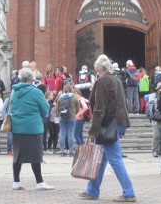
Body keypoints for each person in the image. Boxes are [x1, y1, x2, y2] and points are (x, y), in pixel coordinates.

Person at [81, 54, 135, 202]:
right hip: (118, 122)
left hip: (108, 125)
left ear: (98, 68)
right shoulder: (116, 80)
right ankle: (92, 190)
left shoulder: (102, 81)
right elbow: (121, 103)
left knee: (115, 159)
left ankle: (129, 192)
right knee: (102, 158)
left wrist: (94, 130)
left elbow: (99, 108)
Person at [8, 67, 55, 190]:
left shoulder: (14, 91)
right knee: (36, 155)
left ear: (19, 78)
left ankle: (16, 182)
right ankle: (39, 182)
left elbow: (11, 107)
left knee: (17, 154)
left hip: (17, 126)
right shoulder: (36, 92)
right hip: (33, 127)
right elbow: (45, 109)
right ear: (31, 79)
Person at [55, 83, 80, 156]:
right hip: (71, 116)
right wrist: (75, 113)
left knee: (62, 134)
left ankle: (62, 151)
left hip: (62, 117)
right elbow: (78, 107)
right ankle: (71, 151)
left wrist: (58, 114)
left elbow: (57, 107)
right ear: (71, 89)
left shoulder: (60, 97)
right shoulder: (74, 97)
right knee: (70, 134)